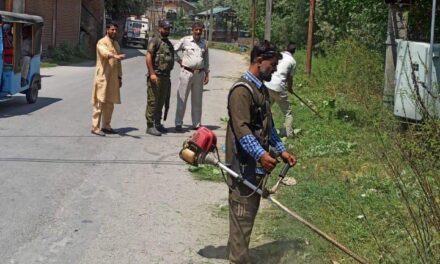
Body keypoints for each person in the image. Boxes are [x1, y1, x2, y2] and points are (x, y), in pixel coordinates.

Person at [225, 40, 297, 264]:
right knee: (242, 212)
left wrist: (281, 150)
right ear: (258, 61)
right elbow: (243, 130)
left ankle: (239, 252)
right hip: (242, 164)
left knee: (248, 212)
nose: (275, 69)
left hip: (254, 165)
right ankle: (238, 259)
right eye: (272, 64)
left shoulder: (261, 90)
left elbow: (269, 126)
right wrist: (261, 155)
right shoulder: (241, 91)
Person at [173, 21, 210, 132]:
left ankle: (196, 123)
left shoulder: (205, 43)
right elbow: (173, 50)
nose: (198, 32)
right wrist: (179, 60)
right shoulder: (185, 40)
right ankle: (178, 123)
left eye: (200, 30)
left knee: (197, 100)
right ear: (192, 30)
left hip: (199, 74)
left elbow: (206, 59)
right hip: (186, 73)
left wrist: (207, 73)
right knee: (182, 98)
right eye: (196, 29)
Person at [91, 22, 125, 136]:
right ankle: (95, 127)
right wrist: (115, 56)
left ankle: (106, 126)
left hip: (113, 78)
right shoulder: (101, 42)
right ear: (107, 30)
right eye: (112, 29)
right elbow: (105, 53)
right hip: (103, 77)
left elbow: (118, 64)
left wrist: (120, 77)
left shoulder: (116, 44)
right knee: (100, 102)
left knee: (110, 103)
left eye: (115, 30)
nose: (114, 32)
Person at [145, 19, 174, 136]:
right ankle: (150, 125)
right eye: (165, 28)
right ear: (160, 28)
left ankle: (158, 123)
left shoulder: (168, 43)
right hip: (156, 76)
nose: (167, 30)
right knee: (153, 101)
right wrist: (152, 73)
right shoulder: (155, 41)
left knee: (162, 101)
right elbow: (148, 57)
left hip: (166, 77)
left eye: (168, 29)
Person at [264, 42, 296, 138]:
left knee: (266, 108)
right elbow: (290, 78)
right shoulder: (293, 61)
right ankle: (289, 134)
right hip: (279, 87)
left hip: (268, 84)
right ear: (294, 51)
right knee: (287, 112)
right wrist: (290, 88)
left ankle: (264, 129)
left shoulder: (279, 55)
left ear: (286, 48)